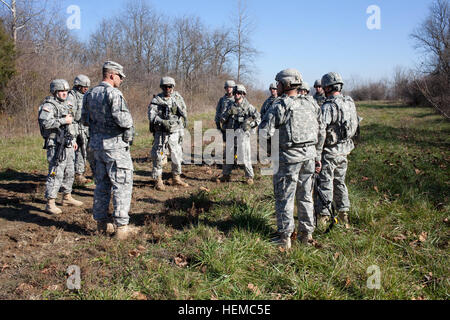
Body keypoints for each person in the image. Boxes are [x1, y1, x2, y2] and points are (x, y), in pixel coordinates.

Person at [259, 69, 325, 249]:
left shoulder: (280, 105)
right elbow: (322, 131)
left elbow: (264, 132)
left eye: (278, 83)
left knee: (284, 198)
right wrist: (317, 155)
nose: (276, 86)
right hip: (309, 158)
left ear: (286, 85)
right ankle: (306, 235)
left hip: (288, 159)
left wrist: (271, 153)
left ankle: (285, 238)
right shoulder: (311, 103)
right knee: (306, 196)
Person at [81, 61, 136, 240]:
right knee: (122, 184)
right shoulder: (113, 94)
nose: (121, 80)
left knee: (102, 185)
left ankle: (101, 224)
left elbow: (84, 120)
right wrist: (128, 135)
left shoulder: (89, 94)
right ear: (112, 75)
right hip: (115, 148)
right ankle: (121, 228)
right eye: (120, 77)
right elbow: (125, 121)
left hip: (96, 147)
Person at [316, 72, 359, 229]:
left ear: (327, 87)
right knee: (340, 182)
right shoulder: (349, 103)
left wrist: (317, 154)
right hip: (344, 150)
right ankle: (343, 214)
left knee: (325, 183)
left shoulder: (328, 107)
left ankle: (323, 217)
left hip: (330, 151)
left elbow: (321, 132)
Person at [38, 79, 84, 215]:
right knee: (56, 172)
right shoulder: (48, 106)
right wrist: (63, 120)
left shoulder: (67, 105)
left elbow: (72, 123)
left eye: (66, 91)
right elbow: (45, 123)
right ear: (55, 92)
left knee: (70, 171)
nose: (64, 94)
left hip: (68, 143)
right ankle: (50, 202)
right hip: (56, 144)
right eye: (61, 91)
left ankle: (67, 196)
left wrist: (74, 139)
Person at [148, 76, 189, 191]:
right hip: (161, 133)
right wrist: (162, 121)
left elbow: (184, 111)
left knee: (177, 156)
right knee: (158, 156)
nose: (167, 88)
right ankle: (158, 180)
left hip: (175, 132)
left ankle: (176, 177)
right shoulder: (157, 100)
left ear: (173, 87)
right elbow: (151, 116)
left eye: (170, 86)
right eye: (165, 86)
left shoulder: (177, 98)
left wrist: (181, 122)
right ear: (161, 87)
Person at [216, 84, 260, 185]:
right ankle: (226, 175)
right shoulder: (230, 106)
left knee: (245, 156)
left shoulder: (248, 107)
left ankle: (249, 176)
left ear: (243, 94)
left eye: (239, 93)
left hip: (243, 135)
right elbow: (222, 118)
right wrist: (227, 114)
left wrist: (251, 125)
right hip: (231, 133)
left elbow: (258, 118)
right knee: (229, 155)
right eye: (235, 93)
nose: (236, 95)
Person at [67, 75, 93, 186]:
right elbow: (70, 114)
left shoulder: (86, 96)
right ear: (78, 86)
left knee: (85, 152)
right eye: (84, 86)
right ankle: (77, 175)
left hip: (85, 127)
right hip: (75, 127)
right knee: (78, 152)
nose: (86, 88)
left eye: (87, 86)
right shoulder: (71, 96)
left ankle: (81, 173)